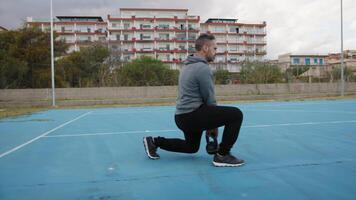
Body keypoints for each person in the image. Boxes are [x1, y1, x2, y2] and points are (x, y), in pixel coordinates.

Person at [143, 33, 244, 167]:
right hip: (192, 115)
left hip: (182, 117)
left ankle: (154, 142)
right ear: (205, 48)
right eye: (215, 48)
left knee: (191, 147)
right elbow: (209, 99)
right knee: (236, 115)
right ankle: (222, 155)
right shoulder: (202, 68)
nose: (216, 52)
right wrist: (213, 125)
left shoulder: (187, 66)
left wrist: (210, 122)